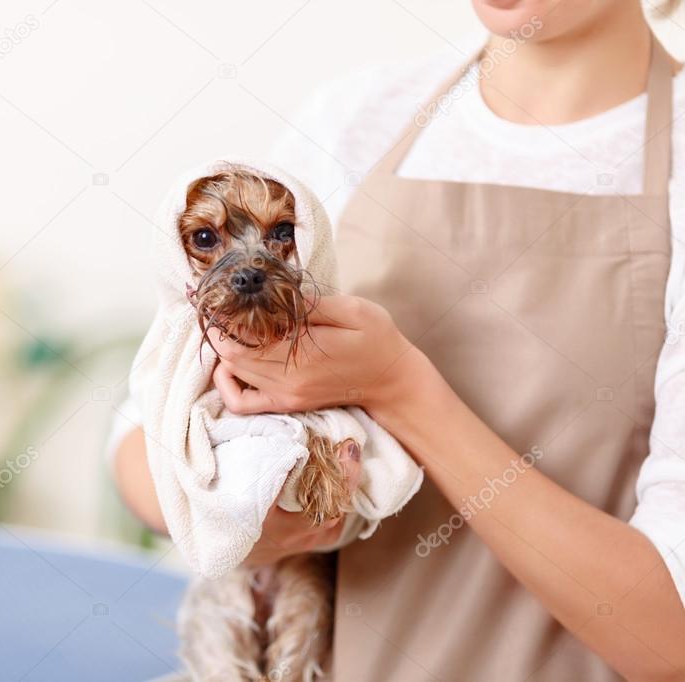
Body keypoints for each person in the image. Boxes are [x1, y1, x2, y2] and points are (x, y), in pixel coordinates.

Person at [109, 1, 685, 678]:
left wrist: (399, 389)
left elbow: (669, 641)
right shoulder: (356, 117)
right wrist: (242, 522)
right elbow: (142, 436)